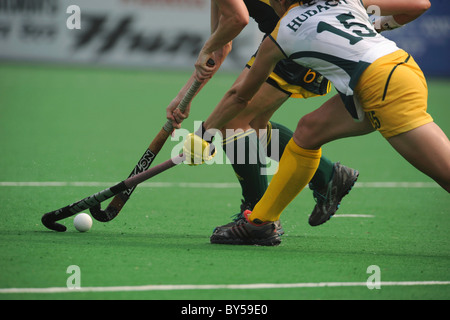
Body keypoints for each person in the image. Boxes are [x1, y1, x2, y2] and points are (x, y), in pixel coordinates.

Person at [184, 0, 449, 246]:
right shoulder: (346, 0)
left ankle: (258, 211)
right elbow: (419, 4)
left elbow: (240, 95)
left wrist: (204, 134)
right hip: (397, 69)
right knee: (308, 131)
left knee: (445, 173)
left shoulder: (284, 31)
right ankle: (262, 219)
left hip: (385, 88)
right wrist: (372, 25)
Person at [167, 0, 360, 233]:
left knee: (233, 123)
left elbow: (238, 19)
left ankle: (258, 220)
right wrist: (185, 97)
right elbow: (220, 46)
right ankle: (327, 175)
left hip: (302, 35)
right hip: (287, 36)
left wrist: (204, 134)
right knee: (252, 126)